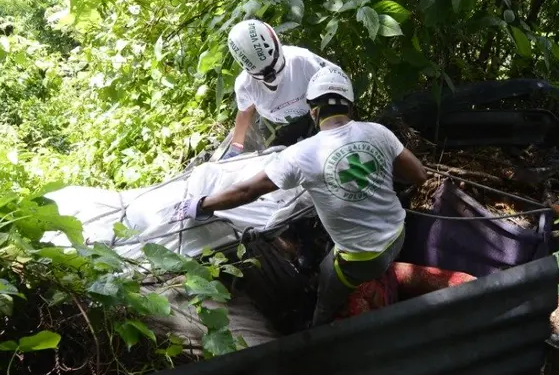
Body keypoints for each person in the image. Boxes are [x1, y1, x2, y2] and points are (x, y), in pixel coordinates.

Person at [172, 66, 428, 326]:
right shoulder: (378, 132)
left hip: (362, 258)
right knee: (340, 251)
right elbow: (418, 175)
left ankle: (318, 330)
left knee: (326, 292)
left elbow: (248, 190)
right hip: (397, 233)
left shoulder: (301, 154)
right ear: (349, 107)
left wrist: (203, 204)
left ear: (313, 111)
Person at [224, 19, 339, 158]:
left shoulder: (302, 61)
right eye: (266, 76)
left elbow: (333, 83)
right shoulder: (245, 85)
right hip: (274, 125)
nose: (272, 79)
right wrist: (236, 147)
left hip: (311, 115)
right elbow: (245, 111)